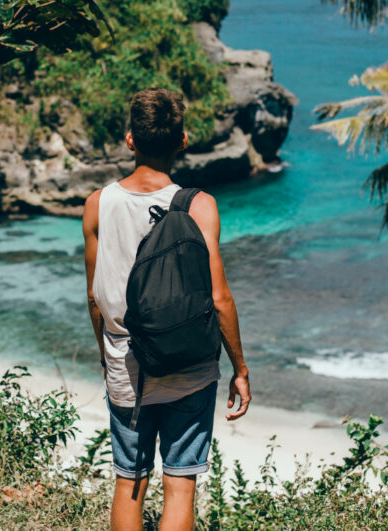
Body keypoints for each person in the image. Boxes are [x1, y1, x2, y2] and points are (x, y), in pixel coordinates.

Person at [82, 88, 251, 531]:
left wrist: (106, 356)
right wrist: (241, 368)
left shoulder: (98, 204)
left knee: (128, 482)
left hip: (126, 361)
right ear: (183, 140)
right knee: (180, 485)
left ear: (130, 139)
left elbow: (95, 299)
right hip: (189, 364)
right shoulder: (200, 205)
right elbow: (219, 299)